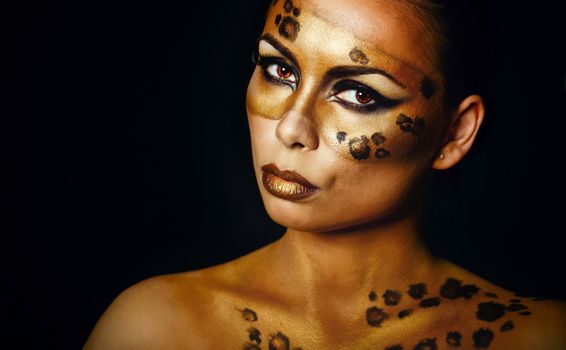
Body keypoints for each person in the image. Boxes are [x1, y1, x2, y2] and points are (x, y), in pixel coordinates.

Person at [84, 0, 566, 349]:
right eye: (279, 70)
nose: (292, 126)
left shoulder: (535, 337)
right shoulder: (155, 328)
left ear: (454, 133)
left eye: (358, 94)